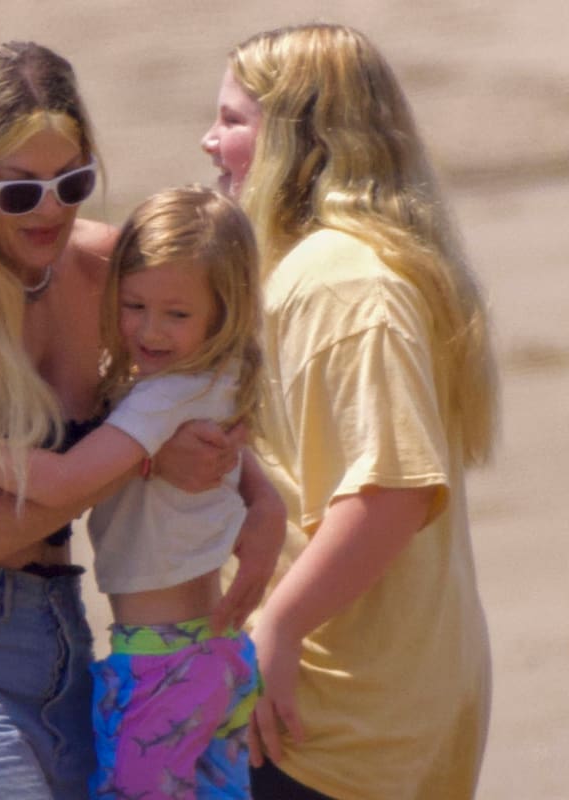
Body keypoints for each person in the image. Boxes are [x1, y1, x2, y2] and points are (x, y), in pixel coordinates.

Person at [0, 43, 281, 800]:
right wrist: (140, 460)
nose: (50, 209)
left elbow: (196, 387)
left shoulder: (111, 275)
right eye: (18, 191)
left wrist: (258, 495)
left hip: (69, 632)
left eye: (71, 181)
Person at [199, 23, 501, 800]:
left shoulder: (344, 281)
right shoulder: (376, 265)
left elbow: (393, 493)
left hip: (332, 715)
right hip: (386, 701)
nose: (208, 141)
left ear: (298, 140)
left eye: (234, 121)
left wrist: (280, 627)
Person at [0, 184, 273, 799]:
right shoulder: (215, 377)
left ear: (224, 311)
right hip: (215, 659)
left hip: (162, 667)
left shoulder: (162, 399)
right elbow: (252, 487)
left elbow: (65, 481)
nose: (150, 331)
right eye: (133, 305)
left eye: (176, 315)